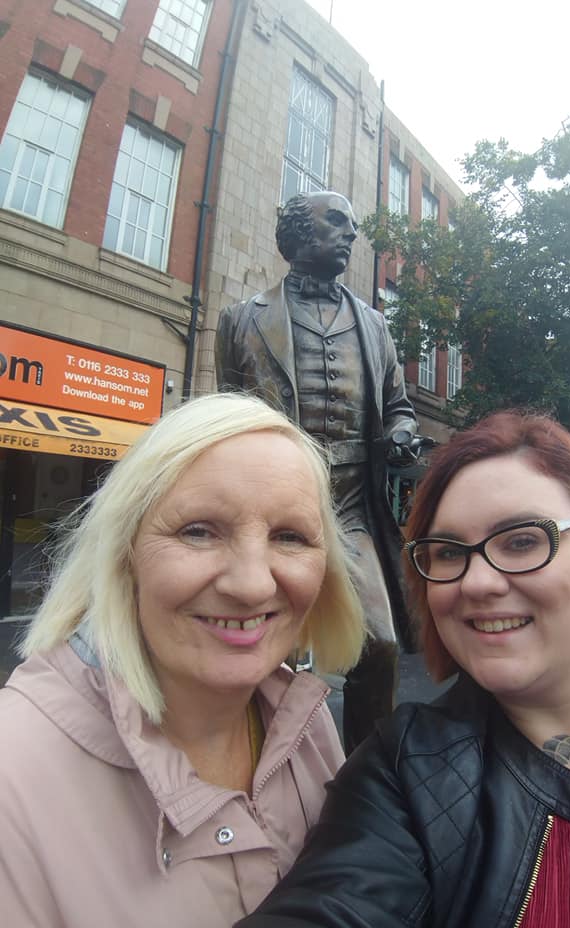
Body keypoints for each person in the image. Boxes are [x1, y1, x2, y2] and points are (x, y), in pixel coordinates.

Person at [202, 409, 570, 928]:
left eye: (521, 542)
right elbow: (327, 924)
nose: (478, 582)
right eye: (449, 553)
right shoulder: (405, 775)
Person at [0, 392, 364, 928]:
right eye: (198, 531)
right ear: (124, 553)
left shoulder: (305, 721)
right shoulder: (13, 777)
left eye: (289, 536)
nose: (252, 584)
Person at [215, 190, 421, 751]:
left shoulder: (374, 325)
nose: (351, 233)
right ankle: (259, 761)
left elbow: (398, 407)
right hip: (273, 508)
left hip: (351, 506)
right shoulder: (241, 320)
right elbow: (223, 419)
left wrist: (401, 433)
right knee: (263, 648)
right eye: (337, 221)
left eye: (352, 224)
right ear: (301, 232)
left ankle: (368, 775)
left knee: (379, 646)